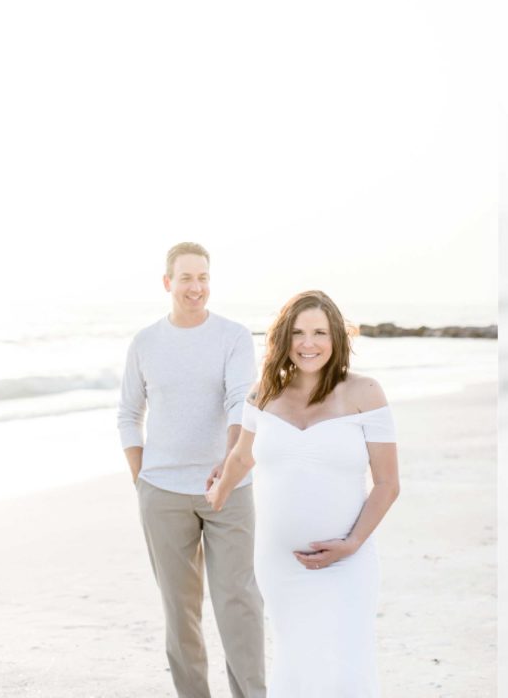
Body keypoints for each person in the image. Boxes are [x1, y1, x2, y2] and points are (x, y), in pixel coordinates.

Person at [206, 290, 399, 697]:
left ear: (337, 339)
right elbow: (242, 457)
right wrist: (217, 491)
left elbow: (387, 483)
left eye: (319, 333)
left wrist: (352, 543)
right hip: (280, 564)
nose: (308, 343)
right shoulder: (263, 395)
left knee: (345, 669)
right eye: (297, 333)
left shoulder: (366, 393)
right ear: (282, 339)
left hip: (349, 562)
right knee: (295, 667)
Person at [117, 241, 265, 698]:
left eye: (203, 277)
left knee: (237, 603)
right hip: (162, 493)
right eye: (186, 278)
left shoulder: (233, 336)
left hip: (229, 488)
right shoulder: (145, 342)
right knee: (180, 614)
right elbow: (128, 415)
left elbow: (242, 400)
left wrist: (231, 461)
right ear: (168, 283)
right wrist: (143, 480)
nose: (195, 287)